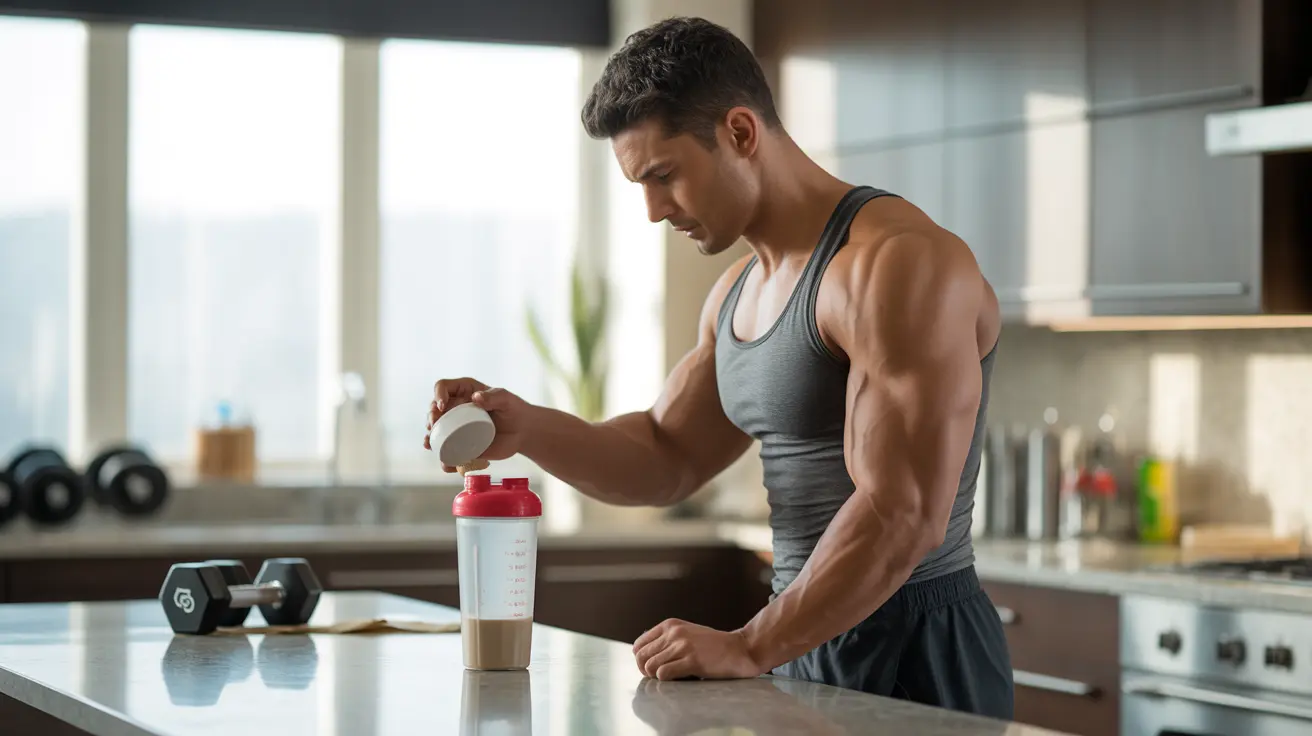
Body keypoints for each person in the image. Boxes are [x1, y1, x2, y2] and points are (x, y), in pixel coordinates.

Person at [425, 16, 1013, 720]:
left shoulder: (899, 264)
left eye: (663, 176)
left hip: (918, 641)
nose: (650, 211)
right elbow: (665, 455)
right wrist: (525, 428)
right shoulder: (739, 293)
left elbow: (903, 513)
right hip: (798, 632)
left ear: (740, 133)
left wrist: (748, 646)